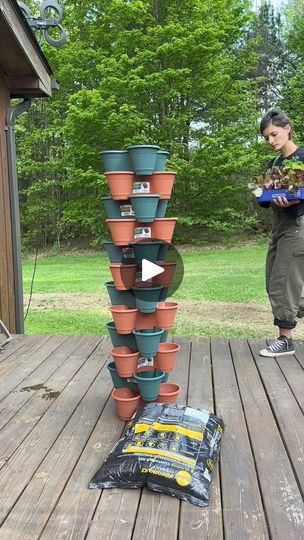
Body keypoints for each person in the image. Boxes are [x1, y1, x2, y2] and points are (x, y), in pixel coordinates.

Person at [258, 108, 304, 357]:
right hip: (279, 226)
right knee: (272, 281)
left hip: (298, 224)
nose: (271, 141)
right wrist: (272, 198)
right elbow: (262, 196)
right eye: (266, 137)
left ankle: (285, 340)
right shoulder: (273, 164)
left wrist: (294, 199)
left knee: (282, 282)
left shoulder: (303, 158)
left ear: (287, 128)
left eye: (274, 134)